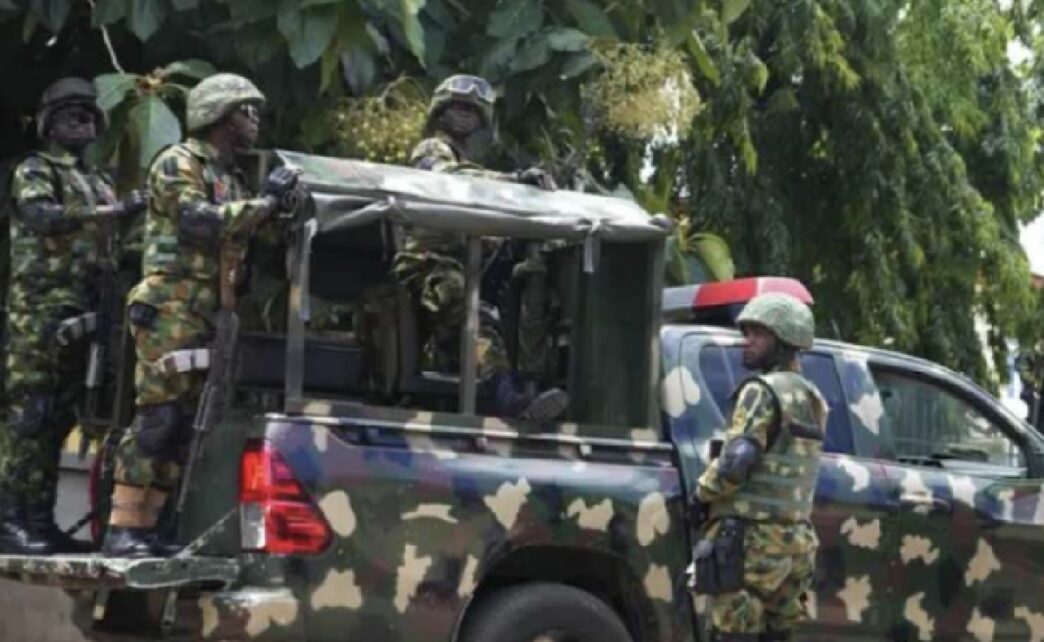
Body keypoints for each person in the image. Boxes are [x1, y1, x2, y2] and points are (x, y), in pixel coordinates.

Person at [102, 73, 298, 557]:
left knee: (190, 422)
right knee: (159, 417)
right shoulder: (179, 162)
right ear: (220, 115)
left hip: (211, 311)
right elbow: (199, 221)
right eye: (246, 112)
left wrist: (280, 212)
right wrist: (265, 202)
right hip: (170, 305)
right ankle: (124, 527)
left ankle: (154, 526)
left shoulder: (231, 179)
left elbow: (256, 239)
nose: (254, 121)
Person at [0, 77, 146, 554]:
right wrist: (112, 212)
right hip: (39, 313)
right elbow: (42, 216)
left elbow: (115, 244)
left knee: (61, 418)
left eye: (89, 116)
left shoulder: (98, 180)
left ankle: (40, 522)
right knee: (29, 419)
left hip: (87, 310)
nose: (83, 123)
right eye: (71, 116)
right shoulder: (36, 169)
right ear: (48, 125)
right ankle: (10, 519)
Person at [393, 73, 566, 420]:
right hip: (428, 264)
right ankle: (507, 399)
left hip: (463, 264)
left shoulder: (470, 166)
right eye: (457, 107)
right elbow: (447, 179)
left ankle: (515, 388)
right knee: (475, 317)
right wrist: (513, 182)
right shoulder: (432, 149)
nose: (465, 114)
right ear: (440, 111)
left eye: (473, 110)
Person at [689, 293, 828, 642]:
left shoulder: (762, 391)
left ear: (784, 341)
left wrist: (701, 495)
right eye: (746, 332)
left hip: (752, 546)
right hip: (796, 544)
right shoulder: (813, 397)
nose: (746, 341)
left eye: (758, 334)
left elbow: (736, 462)